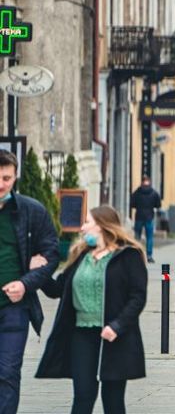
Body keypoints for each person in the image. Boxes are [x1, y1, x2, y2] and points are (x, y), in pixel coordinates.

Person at [36, 205, 148, 414]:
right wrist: (40, 271)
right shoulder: (81, 257)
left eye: (87, 222)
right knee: (83, 395)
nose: (82, 227)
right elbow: (57, 289)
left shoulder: (128, 256)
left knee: (112, 399)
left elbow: (137, 297)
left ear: (102, 226)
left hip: (114, 336)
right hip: (82, 334)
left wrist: (117, 326)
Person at [0, 150, 60, 413]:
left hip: (15, 306)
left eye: (6, 178)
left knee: (8, 371)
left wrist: (26, 283)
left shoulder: (31, 211)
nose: (0, 184)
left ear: (15, 178)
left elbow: (51, 255)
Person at [128, 176, 161, 264]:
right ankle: (149, 256)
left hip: (139, 216)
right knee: (149, 237)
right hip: (149, 216)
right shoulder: (154, 193)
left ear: (142, 182)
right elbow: (158, 204)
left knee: (137, 236)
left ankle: (136, 254)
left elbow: (132, 204)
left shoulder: (137, 192)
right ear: (149, 182)